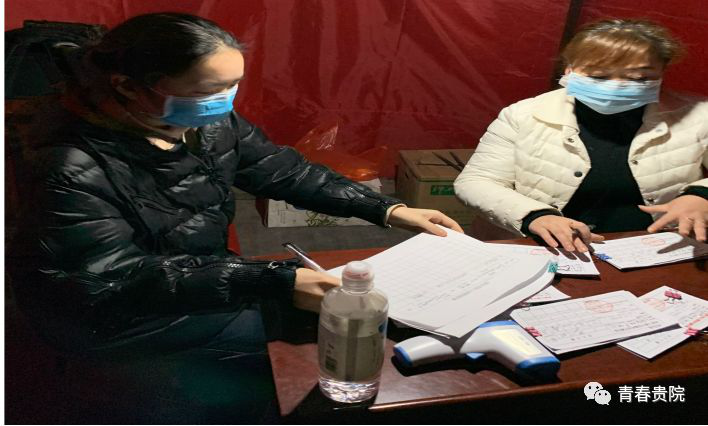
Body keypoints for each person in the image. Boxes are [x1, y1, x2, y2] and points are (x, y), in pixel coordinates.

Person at [7, 13, 462, 423]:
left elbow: (283, 171)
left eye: (232, 86)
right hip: (116, 312)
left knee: (329, 319)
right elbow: (111, 277)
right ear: (128, 85)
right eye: (207, 90)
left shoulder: (207, 122)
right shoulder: (69, 165)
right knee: (305, 339)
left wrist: (388, 208)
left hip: (200, 275)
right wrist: (267, 280)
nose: (223, 101)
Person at [454, 19, 707, 253]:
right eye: (598, 76)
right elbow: (476, 181)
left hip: (656, 248)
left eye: (639, 78)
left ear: (661, 74)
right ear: (569, 70)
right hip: (544, 249)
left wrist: (700, 195)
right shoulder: (523, 115)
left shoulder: (698, 114)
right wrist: (535, 216)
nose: (616, 86)